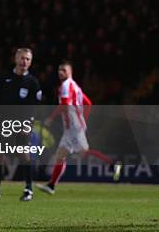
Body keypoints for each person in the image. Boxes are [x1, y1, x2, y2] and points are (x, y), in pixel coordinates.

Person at [36, 62, 121, 195]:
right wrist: (82, 120)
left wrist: (51, 118)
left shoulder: (65, 85)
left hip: (72, 126)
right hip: (73, 126)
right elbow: (88, 104)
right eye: (59, 70)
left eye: (63, 70)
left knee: (82, 152)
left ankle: (113, 163)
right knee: (61, 156)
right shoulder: (75, 87)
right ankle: (51, 185)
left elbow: (64, 105)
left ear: (70, 72)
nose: (60, 72)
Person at [0, 48, 42, 202]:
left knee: (24, 155)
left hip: (21, 124)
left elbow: (35, 106)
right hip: (3, 123)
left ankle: (28, 189)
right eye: (22, 58)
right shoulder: (4, 78)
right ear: (16, 59)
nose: (25, 62)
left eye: (28, 59)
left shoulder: (32, 82)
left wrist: (28, 123)